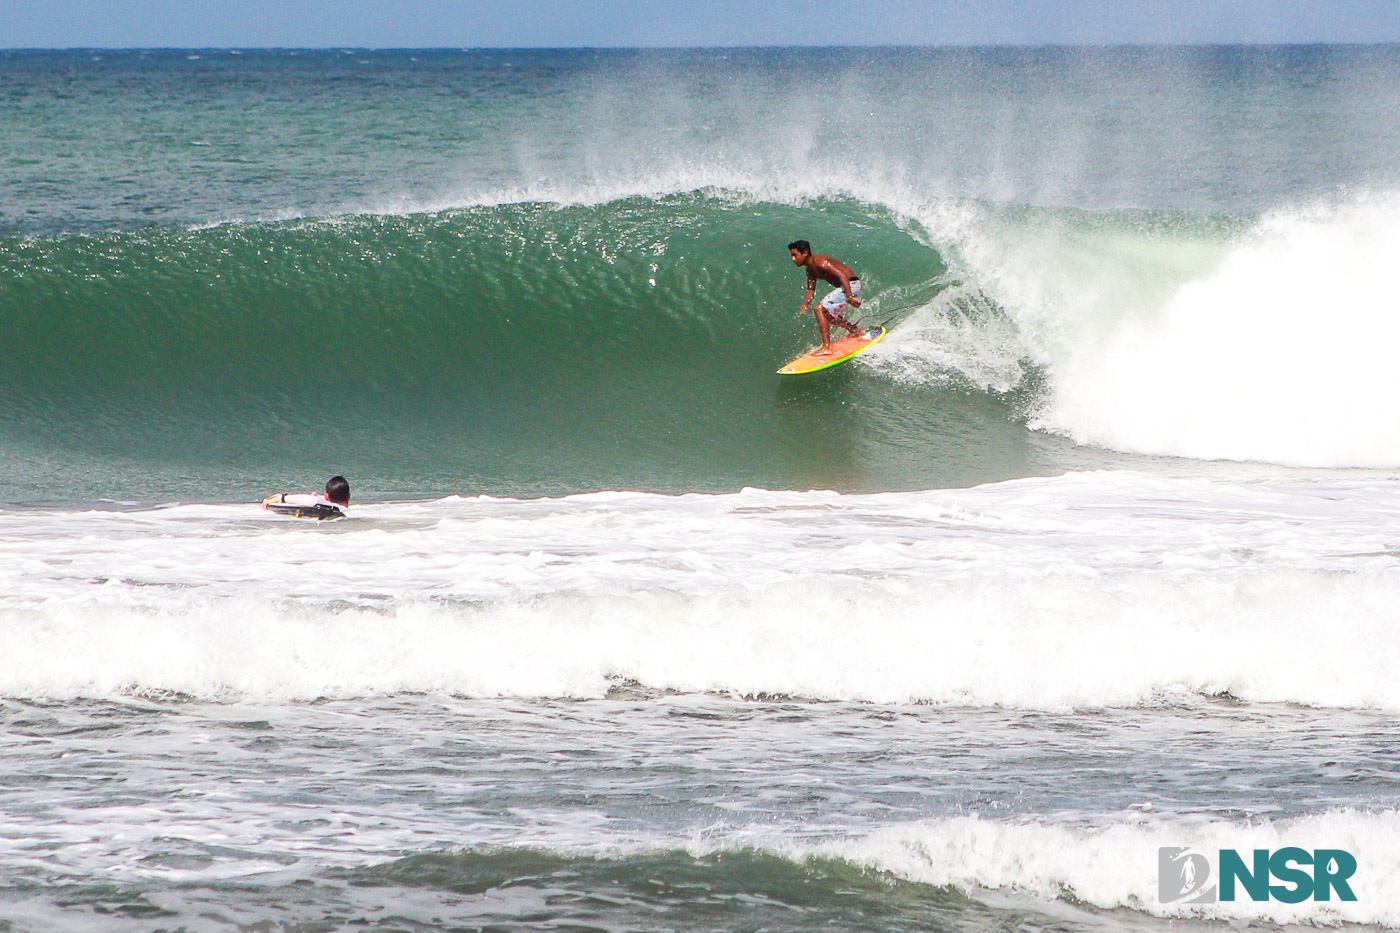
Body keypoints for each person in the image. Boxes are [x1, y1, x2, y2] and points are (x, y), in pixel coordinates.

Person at [789, 239, 865, 352]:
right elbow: (810, 289)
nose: (793, 259)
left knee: (819, 309)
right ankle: (855, 331)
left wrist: (850, 297)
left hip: (851, 285)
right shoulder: (810, 269)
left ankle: (826, 347)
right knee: (827, 314)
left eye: (795, 255)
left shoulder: (820, 262)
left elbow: (842, 275)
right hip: (847, 287)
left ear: (805, 252)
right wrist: (805, 304)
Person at [262, 475, 351, 519]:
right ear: (349, 497)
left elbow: (314, 500)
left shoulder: (336, 509)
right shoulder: (345, 510)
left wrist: (282, 498)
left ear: (326, 496)